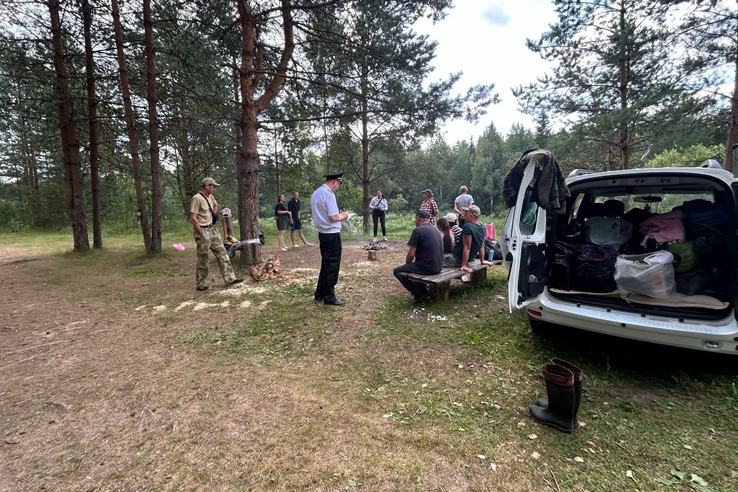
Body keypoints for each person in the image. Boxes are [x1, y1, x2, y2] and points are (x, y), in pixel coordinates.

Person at [188, 177, 243, 291]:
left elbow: (215, 204)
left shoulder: (210, 197)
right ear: (206, 186)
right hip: (203, 230)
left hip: (212, 229)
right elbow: (193, 218)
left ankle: (230, 278)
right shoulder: (197, 198)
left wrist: (212, 216)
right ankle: (201, 283)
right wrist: (201, 232)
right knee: (204, 257)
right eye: (213, 186)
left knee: (223, 253)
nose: (214, 189)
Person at [311, 171, 350, 305]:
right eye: (338, 184)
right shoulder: (329, 195)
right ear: (335, 181)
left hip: (322, 233)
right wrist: (344, 215)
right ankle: (329, 297)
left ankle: (320, 293)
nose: (338, 187)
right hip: (332, 234)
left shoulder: (316, 193)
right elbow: (333, 217)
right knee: (332, 264)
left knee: (326, 263)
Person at [393, 210, 443, 302]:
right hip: (438, 266)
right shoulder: (435, 229)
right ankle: (424, 290)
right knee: (414, 267)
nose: (415, 220)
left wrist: (407, 264)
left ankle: (419, 294)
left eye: (415, 218)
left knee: (397, 271)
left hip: (427, 267)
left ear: (418, 218)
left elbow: (411, 254)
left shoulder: (418, 230)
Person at [443, 205, 494, 272]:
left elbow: (467, 247)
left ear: (471, 216)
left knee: (434, 259)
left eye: (466, 215)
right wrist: (482, 260)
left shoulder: (467, 227)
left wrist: (464, 265)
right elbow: (481, 244)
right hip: (470, 258)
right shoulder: (482, 226)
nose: (463, 217)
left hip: (457, 258)